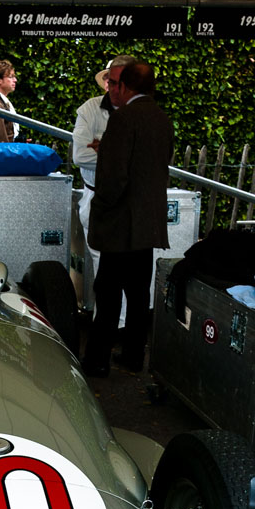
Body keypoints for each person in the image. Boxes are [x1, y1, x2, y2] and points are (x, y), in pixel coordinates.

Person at [82, 60, 174, 378]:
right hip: (147, 223)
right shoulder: (162, 119)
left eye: (116, 85)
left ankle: (97, 360)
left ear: (125, 86)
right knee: (138, 294)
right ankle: (134, 355)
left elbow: (114, 177)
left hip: (121, 223)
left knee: (107, 295)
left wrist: (103, 206)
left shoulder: (123, 119)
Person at [72, 54, 135, 278]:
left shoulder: (144, 112)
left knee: (130, 272)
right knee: (106, 272)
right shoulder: (89, 109)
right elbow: (80, 155)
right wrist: (126, 156)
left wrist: (104, 149)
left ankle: (122, 315)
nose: (112, 84)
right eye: (110, 79)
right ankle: (113, 315)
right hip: (99, 201)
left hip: (132, 203)